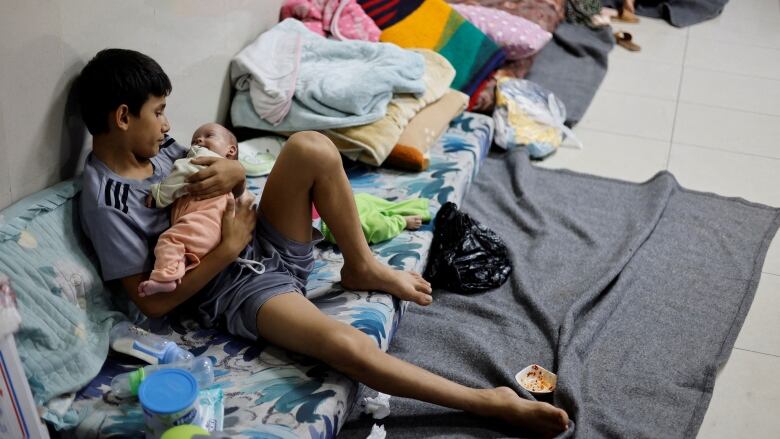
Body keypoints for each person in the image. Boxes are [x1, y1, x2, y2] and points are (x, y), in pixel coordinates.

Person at [76, 48, 569, 436]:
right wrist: (228, 248)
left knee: (310, 146)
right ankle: (486, 401)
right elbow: (151, 304)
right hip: (230, 286)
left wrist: (232, 172)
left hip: (255, 239)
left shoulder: (158, 150)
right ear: (123, 117)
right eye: (159, 113)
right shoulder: (105, 199)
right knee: (344, 344)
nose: (167, 126)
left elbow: (216, 183)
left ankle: (362, 265)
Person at [138, 123, 260, 296]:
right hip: (217, 232)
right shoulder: (226, 175)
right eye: (195, 140)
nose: (199, 140)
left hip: (204, 222)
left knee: (171, 241)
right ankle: (176, 271)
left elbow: (182, 173)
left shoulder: (203, 157)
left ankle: (165, 276)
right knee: (182, 247)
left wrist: (159, 193)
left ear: (231, 150)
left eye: (209, 135)